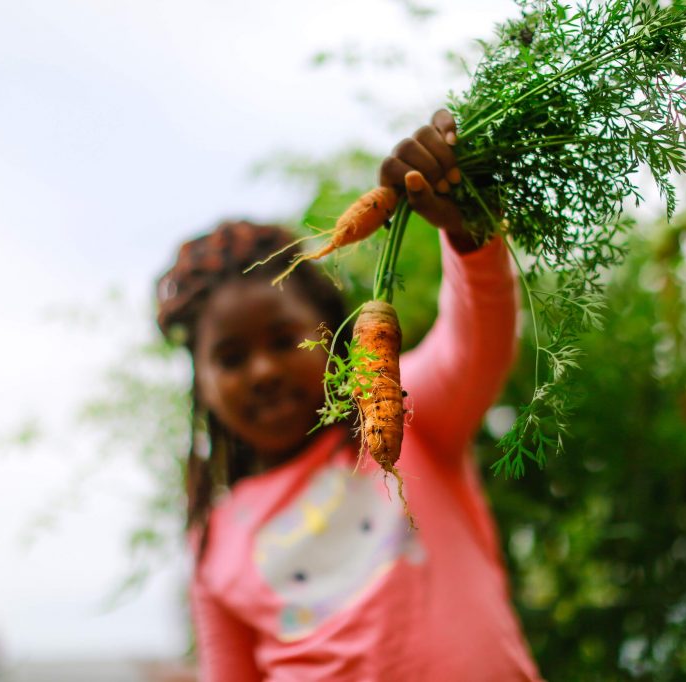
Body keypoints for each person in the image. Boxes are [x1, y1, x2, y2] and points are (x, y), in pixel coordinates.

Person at [154, 110, 544, 681]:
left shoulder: (402, 415)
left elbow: (475, 346)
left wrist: (466, 231)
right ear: (203, 387)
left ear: (335, 339)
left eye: (285, 340)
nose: (261, 370)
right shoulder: (215, 539)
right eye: (231, 358)